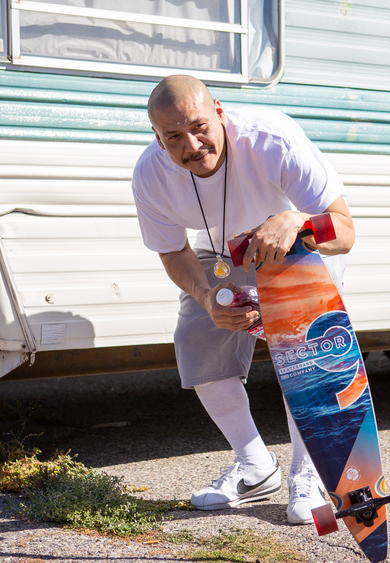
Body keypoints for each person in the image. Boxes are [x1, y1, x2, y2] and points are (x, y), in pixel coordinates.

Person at [131, 74, 355, 524]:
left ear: (219, 111)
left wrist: (296, 221)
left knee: (301, 351)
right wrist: (207, 296)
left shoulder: (271, 138)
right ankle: (255, 466)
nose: (191, 146)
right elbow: (173, 251)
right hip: (220, 254)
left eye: (199, 127)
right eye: (173, 137)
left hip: (296, 248)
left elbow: (344, 231)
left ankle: (306, 472)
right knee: (197, 339)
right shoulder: (151, 174)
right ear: (156, 137)